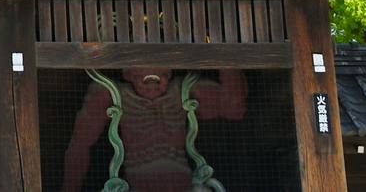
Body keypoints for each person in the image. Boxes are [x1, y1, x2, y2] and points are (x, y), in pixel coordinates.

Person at [60, 68, 246, 192]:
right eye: (143, 67)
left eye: (160, 68)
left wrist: (222, 56)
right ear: (127, 71)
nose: (152, 77)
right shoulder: (112, 94)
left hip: (185, 186)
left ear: (170, 70)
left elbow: (234, 109)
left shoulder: (184, 90)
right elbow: (80, 145)